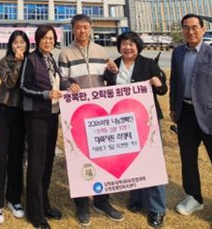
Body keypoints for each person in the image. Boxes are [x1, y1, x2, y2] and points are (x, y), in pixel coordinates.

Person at [170, 14, 212, 229]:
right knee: (188, 159)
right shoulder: (178, 53)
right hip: (186, 114)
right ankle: (194, 197)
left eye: (194, 27)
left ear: (203, 29)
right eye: (186, 27)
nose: (190, 31)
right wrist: (174, 108)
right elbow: (175, 81)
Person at [58, 14, 124, 226]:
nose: (82, 31)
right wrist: (68, 85)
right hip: (77, 113)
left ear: (91, 28)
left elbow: (107, 80)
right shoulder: (65, 53)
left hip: (99, 114)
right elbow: (61, 79)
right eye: (78, 27)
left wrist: (112, 71)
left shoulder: (101, 51)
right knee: (79, 157)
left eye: (85, 27)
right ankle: (82, 204)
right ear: (72, 29)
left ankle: (102, 201)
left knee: (102, 156)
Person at [105, 31, 168, 227]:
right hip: (123, 122)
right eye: (124, 44)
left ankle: (156, 208)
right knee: (132, 161)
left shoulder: (148, 64)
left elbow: (162, 90)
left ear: (138, 46)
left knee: (153, 162)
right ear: (119, 47)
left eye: (131, 44)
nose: (127, 47)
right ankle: (137, 197)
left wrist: (158, 83)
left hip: (147, 120)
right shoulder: (114, 65)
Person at [20, 25, 70, 229]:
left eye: (51, 38)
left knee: (48, 162)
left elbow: (57, 82)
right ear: (37, 39)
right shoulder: (30, 60)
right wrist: (45, 95)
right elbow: (24, 87)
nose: (48, 41)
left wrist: (69, 85)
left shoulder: (51, 59)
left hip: (52, 116)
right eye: (44, 38)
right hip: (36, 118)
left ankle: (44, 204)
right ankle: (35, 213)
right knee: (36, 164)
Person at [0, 30, 29, 225]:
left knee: (16, 156)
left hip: (21, 113)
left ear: (27, 44)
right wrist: (18, 63)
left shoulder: (31, 62)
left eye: (22, 42)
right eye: (15, 42)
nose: (19, 45)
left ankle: (14, 198)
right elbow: (10, 83)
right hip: (4, 111)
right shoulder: (4, 62)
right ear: (10, 45)